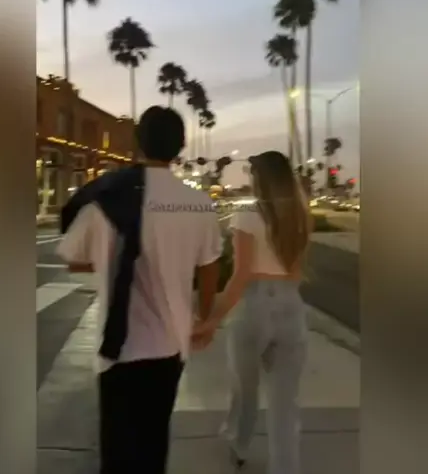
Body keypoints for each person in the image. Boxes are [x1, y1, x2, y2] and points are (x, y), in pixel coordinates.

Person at [57, 106, 222, 474]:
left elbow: (74, 259)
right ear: (180, 147)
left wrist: (112, 258)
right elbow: (209, 266)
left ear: (139, 143)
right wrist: (205, 317)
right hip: (171, 345)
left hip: (118, 349)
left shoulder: (109, 198)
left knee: (117, 452)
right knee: (153, 442)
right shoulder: (198, 203)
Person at [192, 150, 312, 474]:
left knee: (245, 387)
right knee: (285, 404)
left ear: (261, 178)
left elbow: (241, 275)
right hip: (291, 306)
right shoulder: (300, 215)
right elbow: (296, 271)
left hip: (254, 305)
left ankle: (238, 444)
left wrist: (212, 320)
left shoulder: (247, 215)